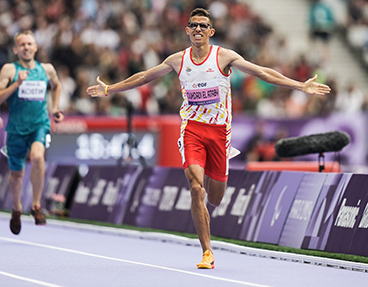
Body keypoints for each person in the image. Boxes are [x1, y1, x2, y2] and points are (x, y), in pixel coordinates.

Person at [86, 8, 331, 269]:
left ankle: (210, 211)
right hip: (191, 129)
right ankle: (207, 252)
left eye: (204, 26)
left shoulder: (223, 56)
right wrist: (110, 89)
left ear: (211, 31)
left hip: (219, 134)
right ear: (187, 30)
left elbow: (262, 73)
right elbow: (144, 77)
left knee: (214, 198)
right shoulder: (178, 60)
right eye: (194, 25)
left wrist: (299, 86)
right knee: (195, 188)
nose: (199, 29)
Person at [0, 30, 64, 235]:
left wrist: (54, 108)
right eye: (22, 44)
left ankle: (36, 206)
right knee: (16, 175)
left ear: (35, 47)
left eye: (29, 44)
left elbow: (57, 86)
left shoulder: (46, 69)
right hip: (17, 128)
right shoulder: (9, 69)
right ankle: (17, 208)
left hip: (40, 124)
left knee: (37, 157)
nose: (26, 47)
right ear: (16, 49)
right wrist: (16, 84)